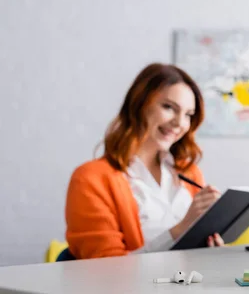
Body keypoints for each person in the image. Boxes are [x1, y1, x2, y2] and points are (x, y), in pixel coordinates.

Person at [64, 63, 224, 259]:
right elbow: (105, 270)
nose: (179, 123)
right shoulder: (90, 178)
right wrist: (180, 229)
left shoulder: (188, 173)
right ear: (139, 104)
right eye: (169, 107)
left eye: (188, 115)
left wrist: (207, 247)